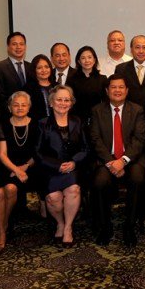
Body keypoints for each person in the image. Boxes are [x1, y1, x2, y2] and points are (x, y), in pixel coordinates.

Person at [89, 73, 145, 246]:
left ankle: (130, 226)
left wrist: (123, 161)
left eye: (121, 87)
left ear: (127, 90)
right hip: (106, 159)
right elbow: (95, 139)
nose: (117, 90)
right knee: (99, 182)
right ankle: (105, 227)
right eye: (113, 87)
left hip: (131, 159)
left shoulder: (137, 110)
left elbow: (139, 139)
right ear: (107, 91)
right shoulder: (97, 111)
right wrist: (111, 162)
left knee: (137, 178)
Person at [36, 86, 90, 247]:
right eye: (59, 99)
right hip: (51, 169)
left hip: (73, 167)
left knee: (73, 190)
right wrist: (57, 166)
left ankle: (67, 228)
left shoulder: (78, 121)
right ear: (51, 103)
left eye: (67, 100)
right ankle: (59, 222)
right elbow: (37, 152)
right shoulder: (42, 123)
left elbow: (86, 148)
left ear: (71, 103)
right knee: (54, 199)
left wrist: (74, 162)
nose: (63, 103)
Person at [0, 91, 40, 249]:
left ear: (29, 107)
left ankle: (3, 225)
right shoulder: (3, 124)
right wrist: (16, 169)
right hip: (6, 166)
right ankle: (2, 229)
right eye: (15, 104)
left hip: (30, 167)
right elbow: (2, 154)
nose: (20, 108)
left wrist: (24, 168)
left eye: (23, 105)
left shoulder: (36, 125)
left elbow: (38, 153)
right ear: (9, 107)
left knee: (10, 188)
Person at [68, 46, 106, 126]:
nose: (87, 61)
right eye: (83, 58)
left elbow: (105, 103)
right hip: (77, 121)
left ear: (94, 60)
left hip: (98, 120)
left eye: (89, 57)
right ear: (78, 61)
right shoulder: (71, 80)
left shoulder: (102, 79)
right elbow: (70, 102)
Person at [0, 32, 29, 109]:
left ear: (25, 47)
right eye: (14, 44)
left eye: (21, 44)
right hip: (8, 116)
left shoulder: (31, 67)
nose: (18, 47)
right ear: (8, 47)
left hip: (29, 116)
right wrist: (15, 111)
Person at [26, 54, 56, 121]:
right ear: (34, 70)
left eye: (46, 67)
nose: (44, 70)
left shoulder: (57, 86)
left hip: (56, 125)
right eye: (39, 68)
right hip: (36, 125)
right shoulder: (28, 89)